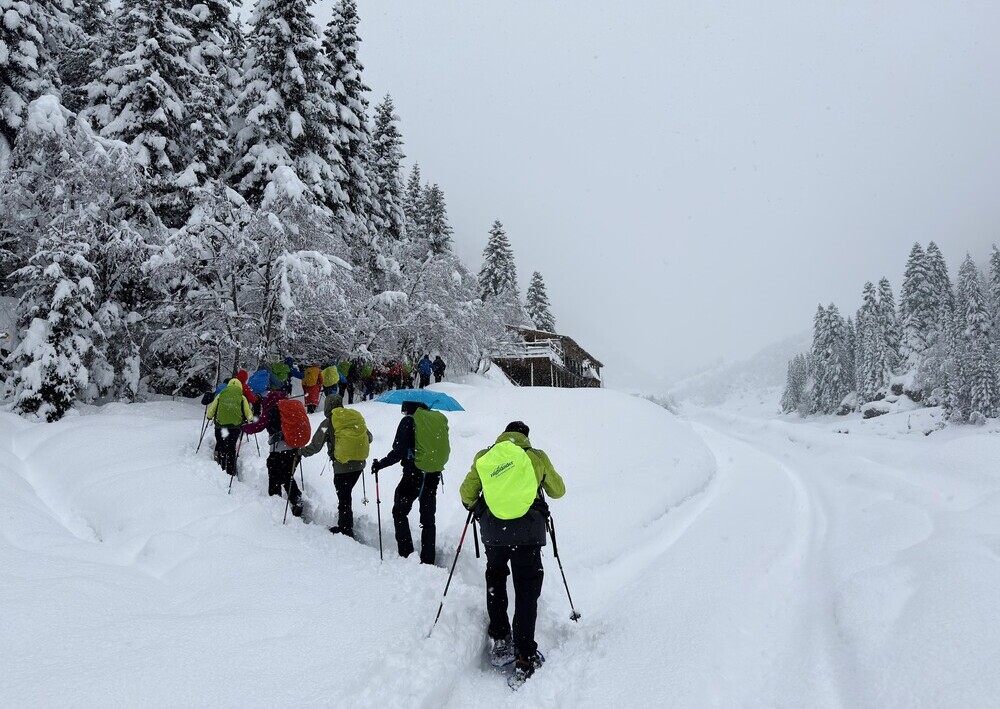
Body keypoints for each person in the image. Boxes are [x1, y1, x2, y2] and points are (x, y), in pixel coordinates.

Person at [459, 421, 565, 689]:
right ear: (525, 436)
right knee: (527, 590)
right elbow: (558, 490)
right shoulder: (535, 457)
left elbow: (466, 494)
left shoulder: (485, 456)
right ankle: (525, 655)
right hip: (528, 534)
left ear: (503, 434)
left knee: (496, 579)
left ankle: (500, 638)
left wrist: (481, 509)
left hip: (494, 533)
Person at [370, 401, 450, 564]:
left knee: (399, 512)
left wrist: (380, 464)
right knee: (428, 520)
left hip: (413, 475)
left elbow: (398, 451)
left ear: (410, 411)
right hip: (433, 475)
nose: (404, 415)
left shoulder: (409, 421)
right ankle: (428, 559)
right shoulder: (434, 421)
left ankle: (406, 554)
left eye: (404, 412)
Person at [299, 393, 372, 537]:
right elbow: (369, 437)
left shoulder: (328, 423)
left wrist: (300, 452)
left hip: (342, 467)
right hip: (358, 465)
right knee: (346, 495)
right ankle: (345, 525)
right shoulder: (353, 417)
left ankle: (345, 529)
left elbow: (315, 446)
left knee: (344, 498)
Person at [242, 389, 304, 518]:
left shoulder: (272, 410)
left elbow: (257, 426)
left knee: (274, 477)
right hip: (296, 449)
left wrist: (244, 427)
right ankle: (296, 499)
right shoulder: (290, 408)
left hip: (278, 450)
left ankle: (276, 505)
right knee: (288, 476)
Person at [206, 378, 254, 477]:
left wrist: (209, 417)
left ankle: (220, 466)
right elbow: (247, 412)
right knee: (231, 446)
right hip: (235, 427)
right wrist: (250, 419)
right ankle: (231, 469)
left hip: (220, 426)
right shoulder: (242, 397)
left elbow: (212, 409)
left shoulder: (221, 395)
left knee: (221, 445)